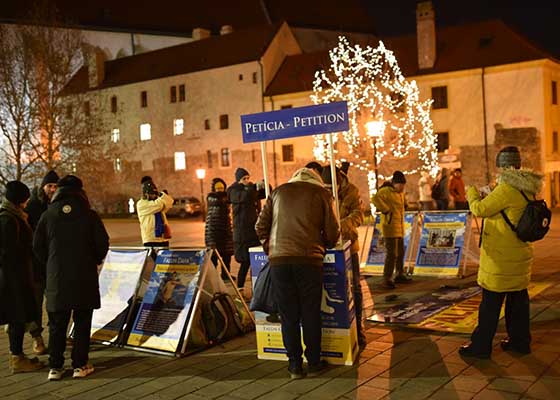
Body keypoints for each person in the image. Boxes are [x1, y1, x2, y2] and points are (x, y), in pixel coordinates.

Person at [459, 146, 543, 359]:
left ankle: (480, 347)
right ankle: (520, 343)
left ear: (504, 167)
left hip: (501, 261)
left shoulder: (506, 190)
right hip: (519, 256)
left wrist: (471, 192)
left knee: (490, 306)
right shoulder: (527, 188)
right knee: (518, 304)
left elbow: (479, 209)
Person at [255, 168, 339, 379]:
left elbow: (260, 226)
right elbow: (332, 232)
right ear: (316, 181)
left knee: (288, 315)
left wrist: (270, 248)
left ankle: (294, 365)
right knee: (310, 312)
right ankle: (313, 363)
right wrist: (325, 243)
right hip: (309, 260)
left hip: (280, 262)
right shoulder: (321, 194)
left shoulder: (277, 192)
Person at [33, 175, 109, 380]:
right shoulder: (89, 215)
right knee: (82, 322)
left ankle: (55, 367)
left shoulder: (48, 215)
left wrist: (51, 264)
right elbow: (102, 243)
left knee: (57, 323)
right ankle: (80, 365)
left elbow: (37, 247)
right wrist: (95, 259)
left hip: (57, 277)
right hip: (84, 276)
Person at [0, 181, 45, 373]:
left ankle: (18, 356)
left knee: (19, 317)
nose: (27, 202)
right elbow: (8, 252)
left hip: (18, 276)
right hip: (13, 279)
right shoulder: (8, 219)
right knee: (16, 317)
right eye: (25, 199)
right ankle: (16, 358)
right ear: (19, 199)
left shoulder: (13, 216)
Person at [321, 166, 366, 348]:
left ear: (339, 181)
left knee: (354, 286)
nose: (330, 191)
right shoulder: (319, 191)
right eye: (327, 188)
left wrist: (340, 225)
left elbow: (358, 215)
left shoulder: (351, 191)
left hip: (348, 245)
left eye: (332, 187)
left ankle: (359, 327)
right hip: (326, 247)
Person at [23, 169, 59, 356]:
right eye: (49, 185)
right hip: (36, 266)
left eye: (55, 186)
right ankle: (37, 338)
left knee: (54, 302)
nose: (52, 189)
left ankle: (56, 336)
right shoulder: (34, 207)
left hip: (52, 265)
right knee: (36, 303)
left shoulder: (59, 205)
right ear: (43, 186)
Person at [227, 168, 266, 292]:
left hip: (252, 233)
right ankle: (240, 288)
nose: (247, 181)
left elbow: (263, 194)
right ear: (238, 180)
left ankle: (257, 288)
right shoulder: (234, 190)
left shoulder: (249, 190)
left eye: (248, 178)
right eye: (244, 179)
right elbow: (243, 197)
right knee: (245, 263)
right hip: (242, 234)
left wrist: (264, 184)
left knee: (255, 261)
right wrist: (252, 187)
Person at [372, 171, 411, 289]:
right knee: (392, 254)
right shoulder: (386, 191)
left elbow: (403, 205)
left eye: (403, 185)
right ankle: (387, 278)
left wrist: (406, 204)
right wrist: (386, 209)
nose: (402, 187)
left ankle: (399, 274)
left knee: (400, 252)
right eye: (400, 185)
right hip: (389, 227)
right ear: (394, 183)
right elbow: (374, 199)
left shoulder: (400, 193)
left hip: (399, 226)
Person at [205, 177, 234, 280]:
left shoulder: (225, 198)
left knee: (227, 256)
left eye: (222, 187)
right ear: (214, 188)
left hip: (225, 231)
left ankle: (226, 275)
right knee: (214, 257)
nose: (220, 189)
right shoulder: (211, 197)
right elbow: (218, 200)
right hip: (213, 232)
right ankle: (213, 277)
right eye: (218, 188)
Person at [136, 178, 173, 247]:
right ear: (146, 194)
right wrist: (164, 197)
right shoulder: (141, 204)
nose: (154, 196)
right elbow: (158, 205)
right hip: (151, 239)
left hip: (163, 238)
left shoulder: (159, 201)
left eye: (155, 194)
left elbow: (170, 203)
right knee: (154, 258)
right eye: (151, 194)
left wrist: (163, 196)